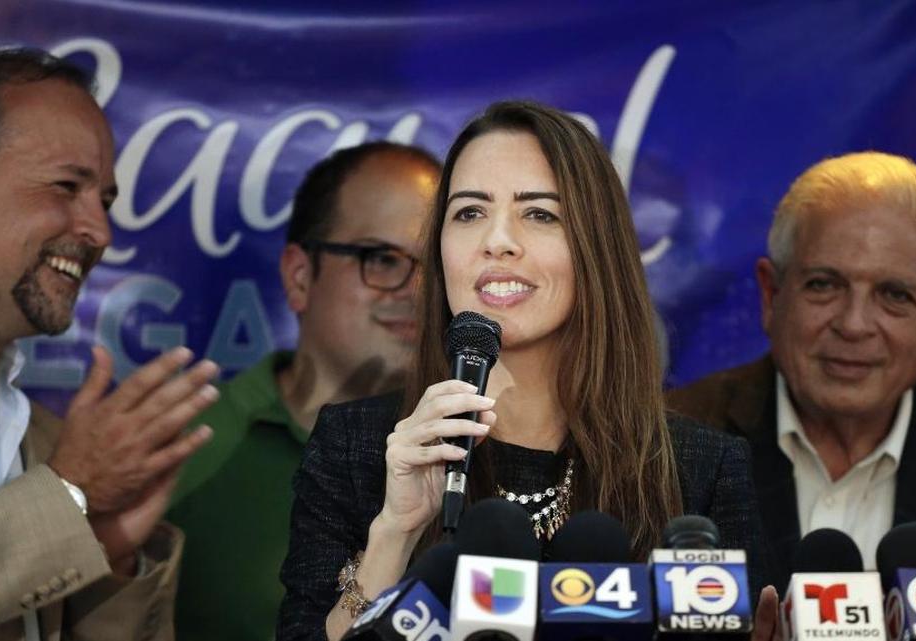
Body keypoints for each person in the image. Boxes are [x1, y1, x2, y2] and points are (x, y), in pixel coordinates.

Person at [277, 101, 768, 641]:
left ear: (594, 247)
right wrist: (394, 531)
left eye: (539, 214)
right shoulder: (358, 446)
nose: (497, 241)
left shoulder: (700, 468)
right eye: (468, 213)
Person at [0, 48, 219, 640]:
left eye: (103, 200)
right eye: (66, 186)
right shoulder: (67, 465)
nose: (100, 231)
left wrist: (110, 556)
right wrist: (66, 496)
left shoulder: (46, 434)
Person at [667, 151, 916, 634]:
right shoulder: (669, 444)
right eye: (824, 284)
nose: (853, 324)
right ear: (771, 295)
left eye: (894, 295)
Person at [167, 142, 440, 641]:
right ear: (299, 276)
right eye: (382, 259)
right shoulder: (185, 443)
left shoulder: (475, 452)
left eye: (436, 266)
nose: (418, 290)